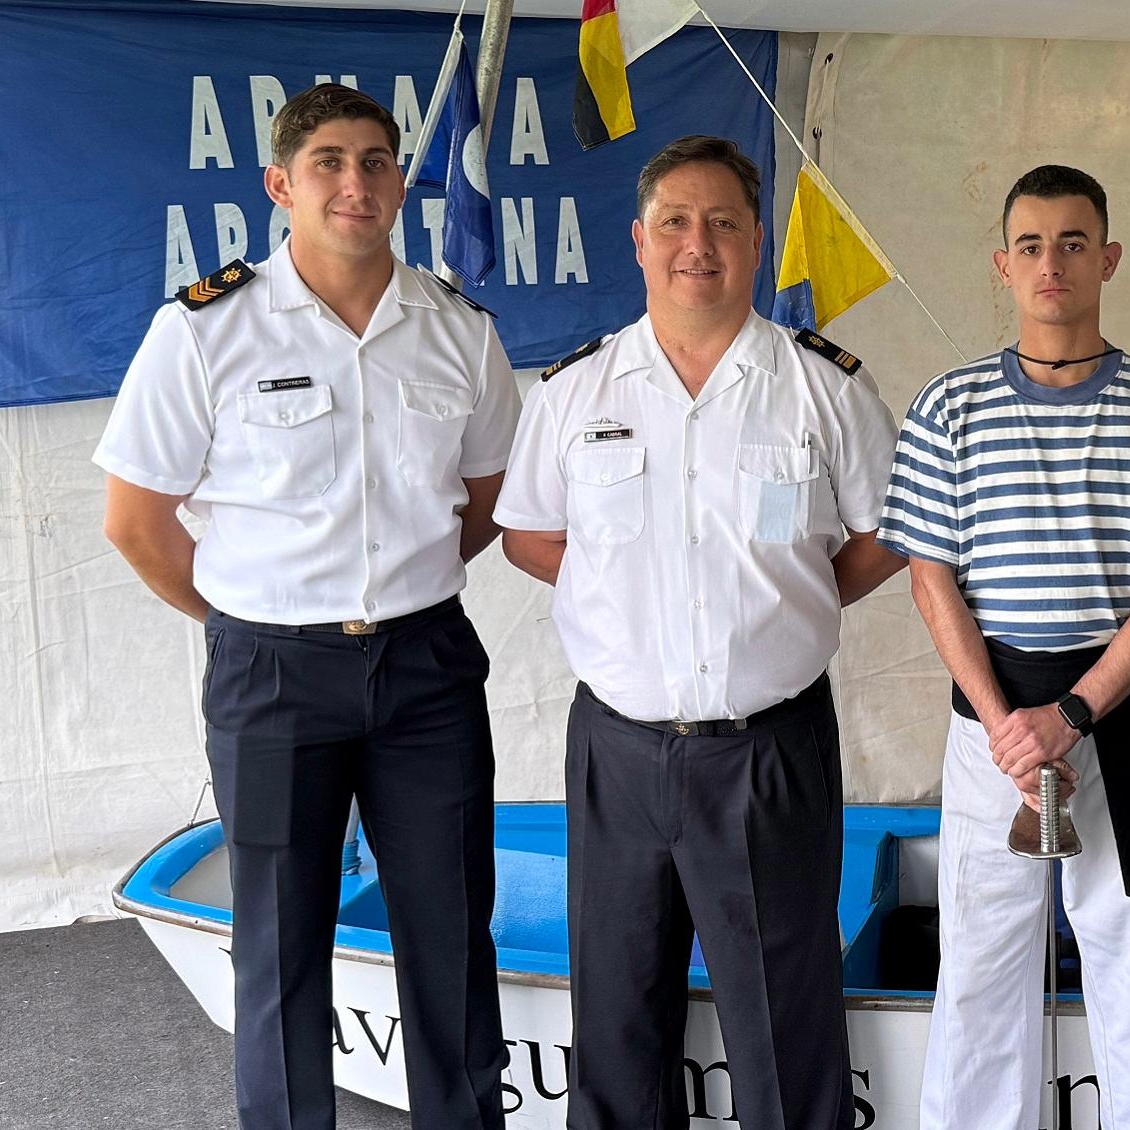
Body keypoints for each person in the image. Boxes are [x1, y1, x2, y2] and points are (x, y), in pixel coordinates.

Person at [95, 84, 520, 1130]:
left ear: (400, 185)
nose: (355, 181)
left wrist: (399, 585)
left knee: (451, 931)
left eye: (375, 160)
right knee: (281, 944)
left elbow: (489, 495)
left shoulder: (456, 329)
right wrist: (248, 616)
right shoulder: (206, 329)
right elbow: (136, 519)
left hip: (425, 668)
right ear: (283, 184)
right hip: (272, 672)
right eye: (328, 161)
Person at [494, 135, 903, 1130]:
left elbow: (885, 534)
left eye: (722, 221)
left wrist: (783, 603)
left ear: (756, 239)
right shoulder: (573, 391)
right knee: (617, 1003)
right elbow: (528, 534)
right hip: (618, 750)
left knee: (781, 1009)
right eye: (674, 221)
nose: (697, 243)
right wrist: (622, 598)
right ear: (637, 239)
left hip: (767, 751)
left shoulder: (826, 387)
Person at [879, 164, 1130, 1129]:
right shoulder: (947, 407)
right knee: (981, 964)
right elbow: (930, 578)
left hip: (1113, 724)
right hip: (989, 728)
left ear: (1109, 258)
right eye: (1032, 245)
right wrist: (1009, 725)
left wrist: (1073, 714)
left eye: (1074, 242)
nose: (1053, 263)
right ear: (1003, 264)